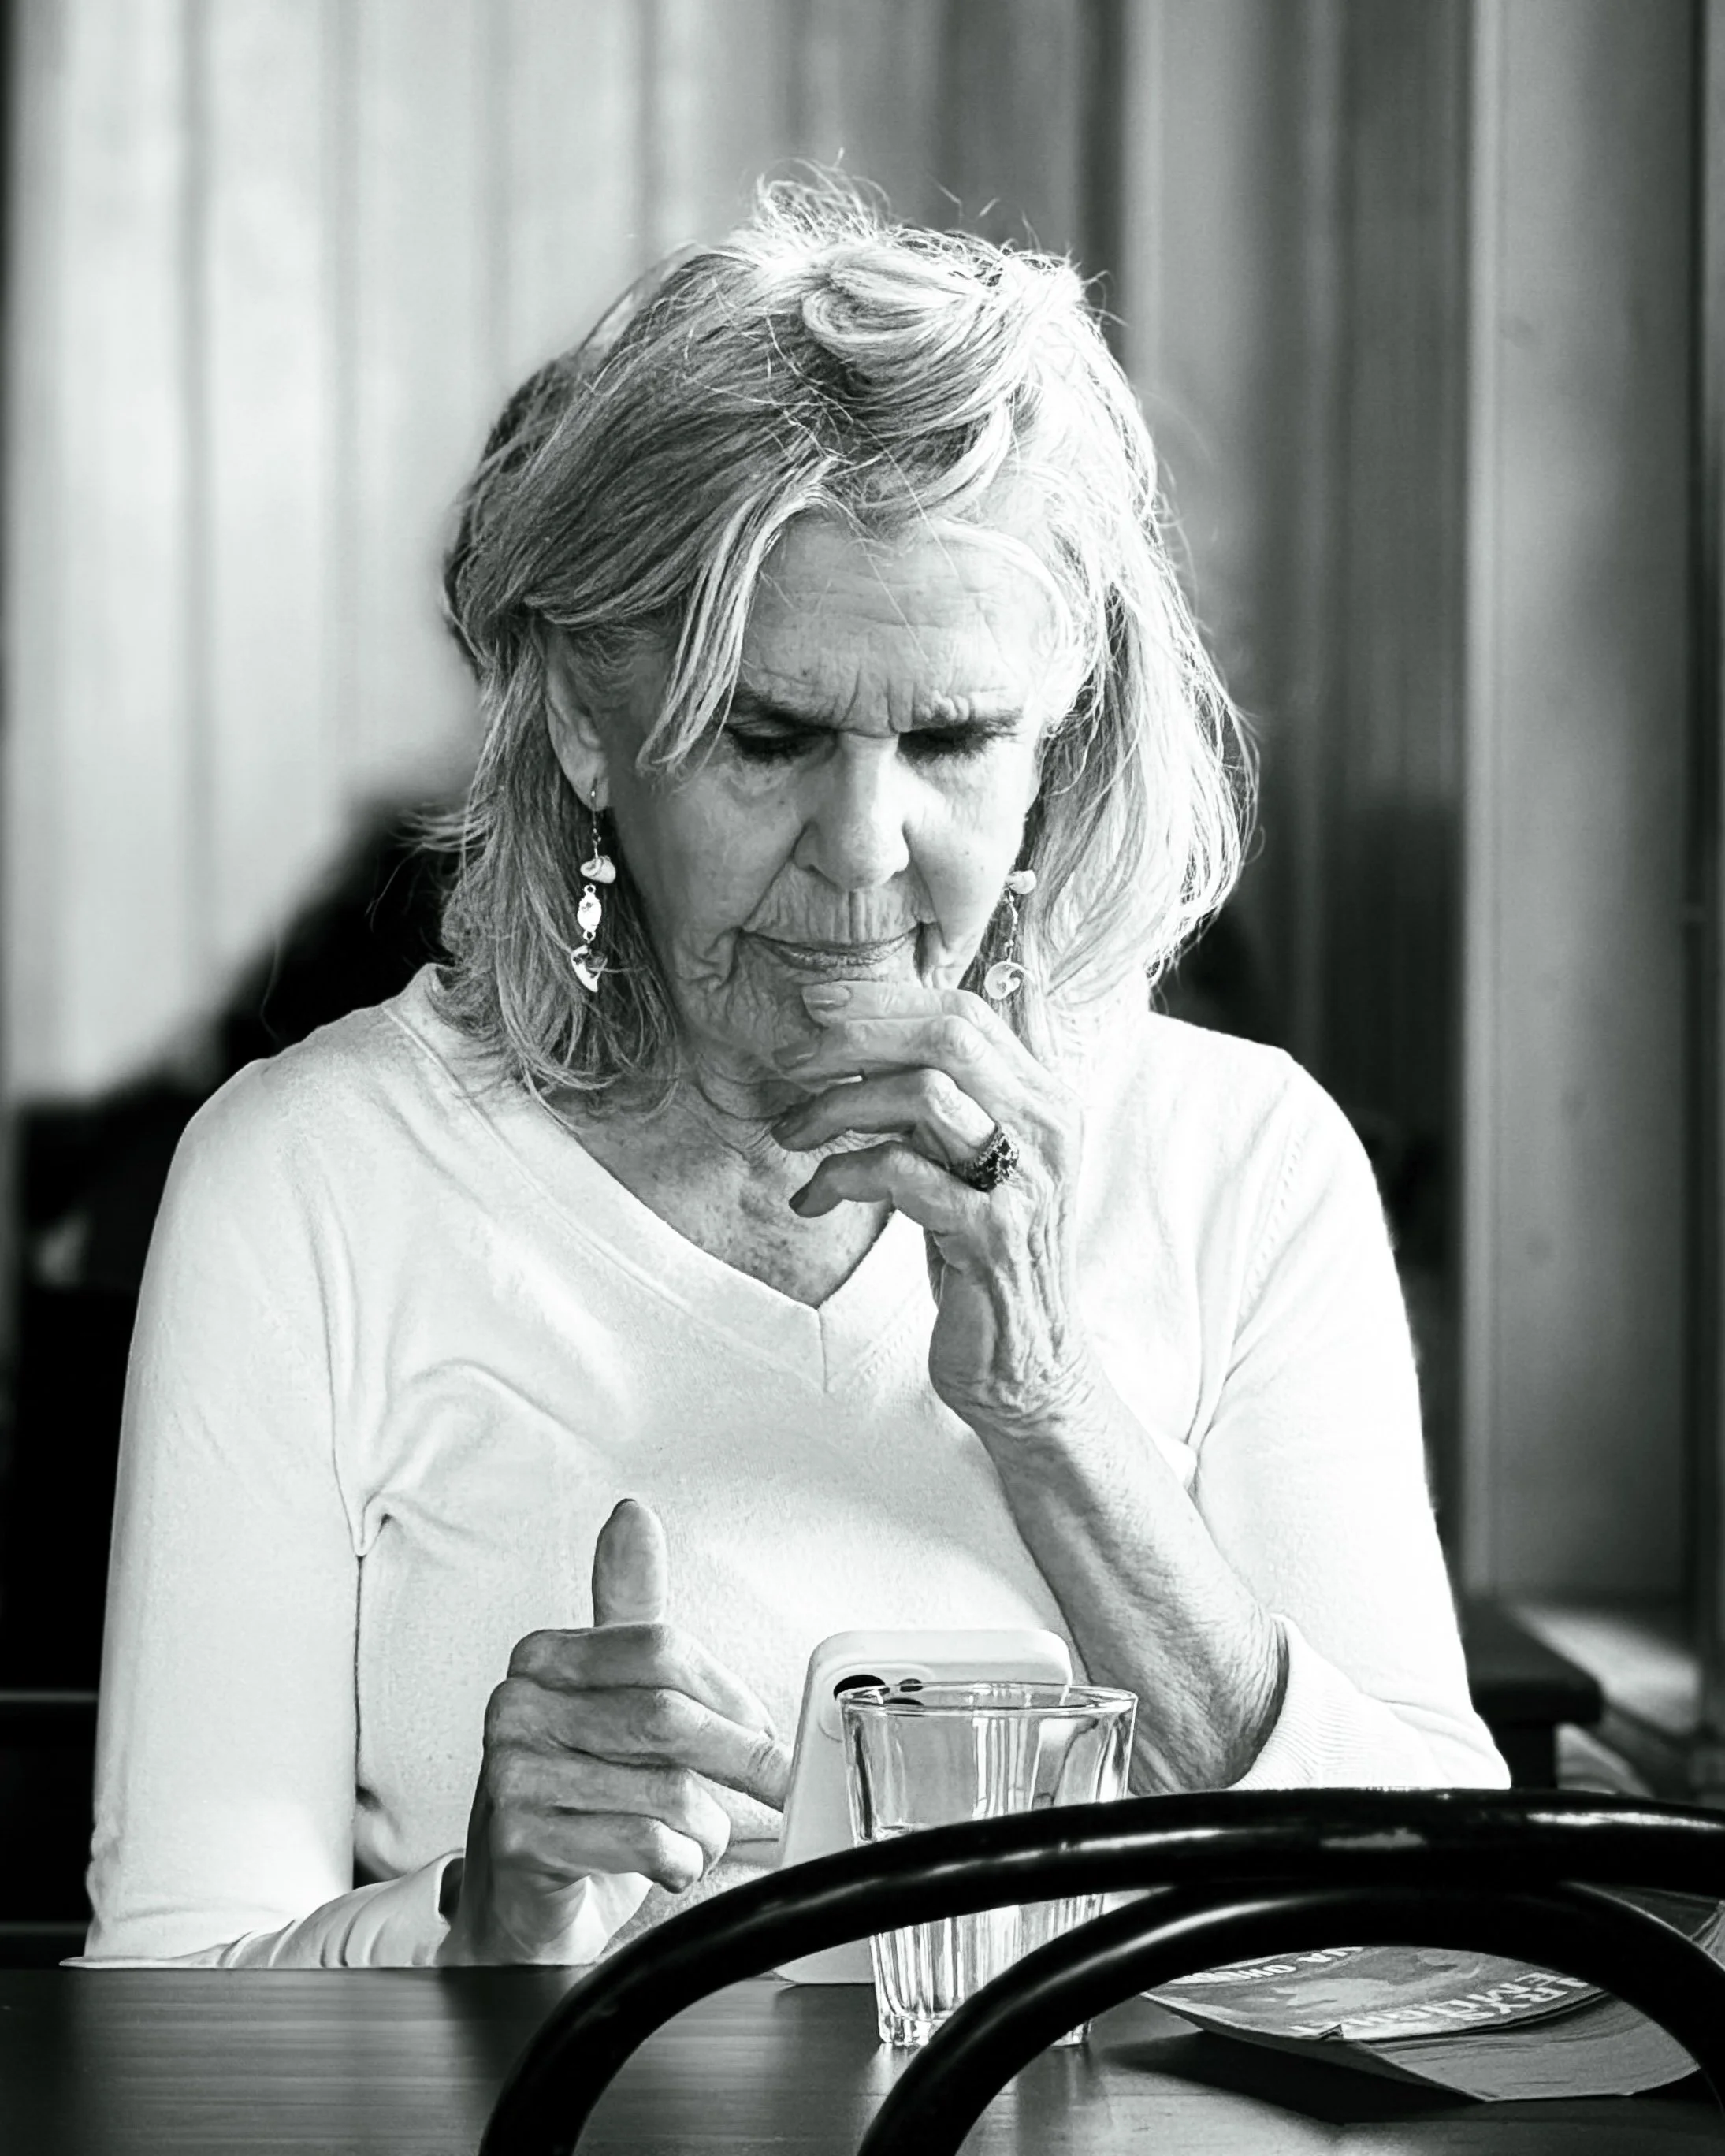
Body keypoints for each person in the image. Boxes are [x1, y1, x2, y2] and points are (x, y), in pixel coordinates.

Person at [78, 180, 1504, 1971]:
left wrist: (1055, 1421)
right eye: (767, 737)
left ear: (1052, 747)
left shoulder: (1244, 1162)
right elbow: (165, 1999)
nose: (864, 847)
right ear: (591, 728)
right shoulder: (311, 1182)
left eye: (954, 741)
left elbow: (1460, 1952)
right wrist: (475, 1925)